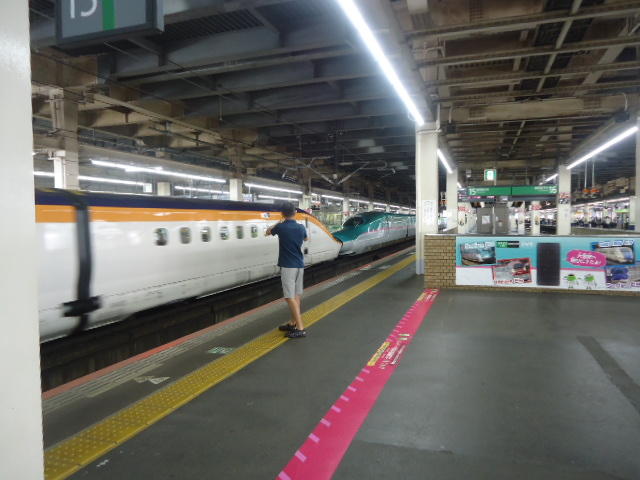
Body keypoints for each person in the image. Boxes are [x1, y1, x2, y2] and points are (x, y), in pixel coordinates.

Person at [266, 202, 308, 339]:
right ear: (295, 213)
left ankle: (300, 328)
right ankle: (293, 323)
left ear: (282, 214)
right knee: (296, 296)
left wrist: (279, 221)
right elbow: (306, 238)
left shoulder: (281, 227)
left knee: (289, 297)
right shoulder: (301, 227)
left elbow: (267, 232)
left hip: (288, 266)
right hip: (299, 265)